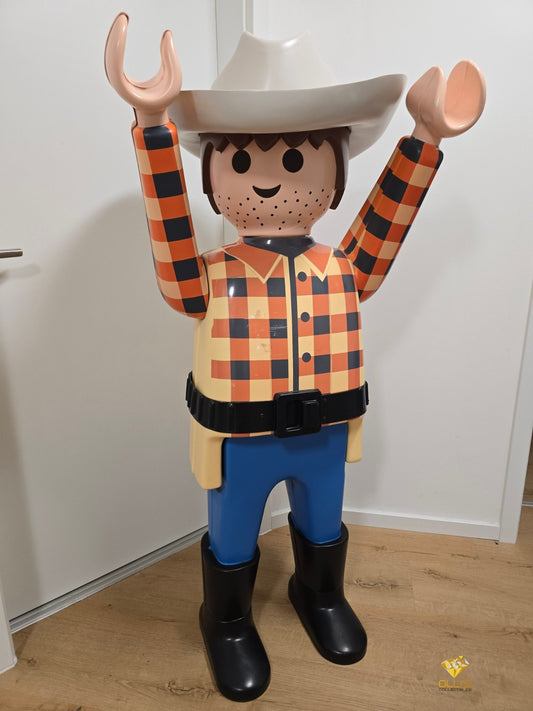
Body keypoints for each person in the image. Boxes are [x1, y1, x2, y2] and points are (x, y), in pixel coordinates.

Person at [105, 14, 485, 702]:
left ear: (334, 170)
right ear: (212, 174)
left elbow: (386, 220)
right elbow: (169, 235)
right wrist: (152, 125)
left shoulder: (343, 267)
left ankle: (320, 594)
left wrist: (425, 136)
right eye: (241, 161)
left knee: (321, 519)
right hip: (240, 437)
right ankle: (226, 621)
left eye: (296, 160)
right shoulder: (208, 276)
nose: (269, 181)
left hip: (325, 431)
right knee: (233, 531)